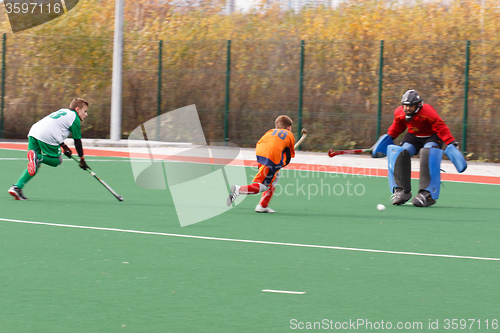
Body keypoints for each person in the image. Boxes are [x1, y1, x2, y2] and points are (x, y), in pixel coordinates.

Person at [371, 89, 467, 207]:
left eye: (411, 106)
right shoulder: (399, 112)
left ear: (418, 105)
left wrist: (452, 143)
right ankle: (402, 191)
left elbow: (441, 128)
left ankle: (427, 194)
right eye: (405, 106)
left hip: (432, 136)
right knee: (399, 153)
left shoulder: (428, 112)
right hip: (413, 136)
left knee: (428, 153)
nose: (407, 109)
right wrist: (387, 139)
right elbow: (397, 127)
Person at [8, 98, 91, 200]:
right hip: (47, 135)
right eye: (85, 111)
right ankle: (37, 157)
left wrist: (64, 147)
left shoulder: (64, 111)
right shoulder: (75, 118)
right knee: (57, 160)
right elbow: (77, 142)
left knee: (34, 164)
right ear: (77, 109)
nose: (86, 115)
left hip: (34, 131)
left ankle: (17, 187)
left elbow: (54, 127)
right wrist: (82, 160)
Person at [227, 115, 295, 213]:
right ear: (289, 127)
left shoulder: (270, 131)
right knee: (263, 186)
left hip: (260, 153)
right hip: (271, 156)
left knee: (275, 178)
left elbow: (264, 143)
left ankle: (263, 205)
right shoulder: (289, 134)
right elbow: (288, 157)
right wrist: (280, 164)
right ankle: (239, 190)